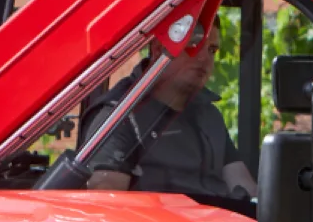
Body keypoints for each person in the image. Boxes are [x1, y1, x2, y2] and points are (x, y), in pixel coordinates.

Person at [83, 26, 258, 207]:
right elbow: (106, 205)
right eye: (194, 45)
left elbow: (244, 187)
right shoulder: (118, 116)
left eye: (212, 50)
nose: (204, 58)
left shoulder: (210, 115)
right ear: (159, 48)